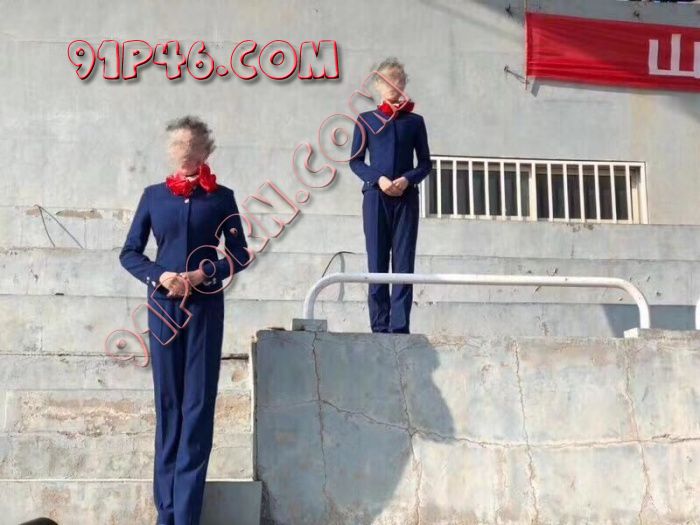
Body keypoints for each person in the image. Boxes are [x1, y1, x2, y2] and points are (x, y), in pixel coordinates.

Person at [119, 115, 251, 525]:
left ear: (205, 151)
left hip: (205, 308)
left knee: (198, 406)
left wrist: (203, 273)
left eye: (191, 147)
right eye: (177, 146)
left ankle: (187, 514)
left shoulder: (222, 198)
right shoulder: (153, 197)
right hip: (163, 307)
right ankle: (167, 512)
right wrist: (160, 275)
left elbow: (240, 255)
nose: (183, 153)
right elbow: (130, 253)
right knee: (169, 404)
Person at [349, 57, 432, 334]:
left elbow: (425, 163)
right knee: (377, 262)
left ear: (404, 83)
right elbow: (356, 161)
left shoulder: (415, 122)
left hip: (406, 199)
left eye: (398, 80)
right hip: (376, 197)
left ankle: (400, 327)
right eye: (387, 81)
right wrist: (379, 179)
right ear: (377, 86)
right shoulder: (366, 120)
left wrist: (408, 179)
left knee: (404, 264)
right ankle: (380, 327)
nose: (394, 86)